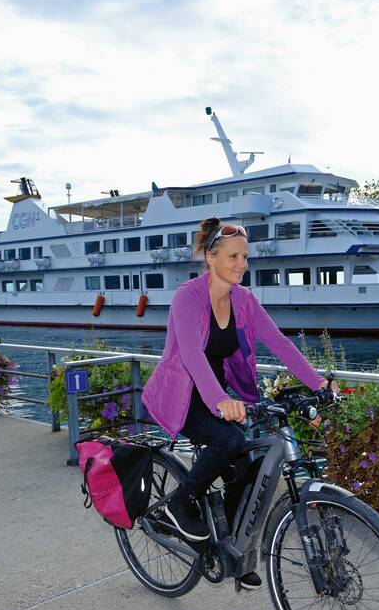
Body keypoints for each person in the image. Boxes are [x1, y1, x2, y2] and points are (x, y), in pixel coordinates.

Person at [141, 217, 335, 590]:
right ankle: (179, 504)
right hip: (185, 394)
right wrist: (220, 401)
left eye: (245, 256)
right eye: (233, 256)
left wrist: (317, 383)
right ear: (210, 258)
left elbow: (279, 343)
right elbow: (194, 355)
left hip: (222, 393)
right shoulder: (188, 297)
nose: (242, 264)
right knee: (228, 443)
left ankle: (232, 549)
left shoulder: (244, 300)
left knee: (246, 468)